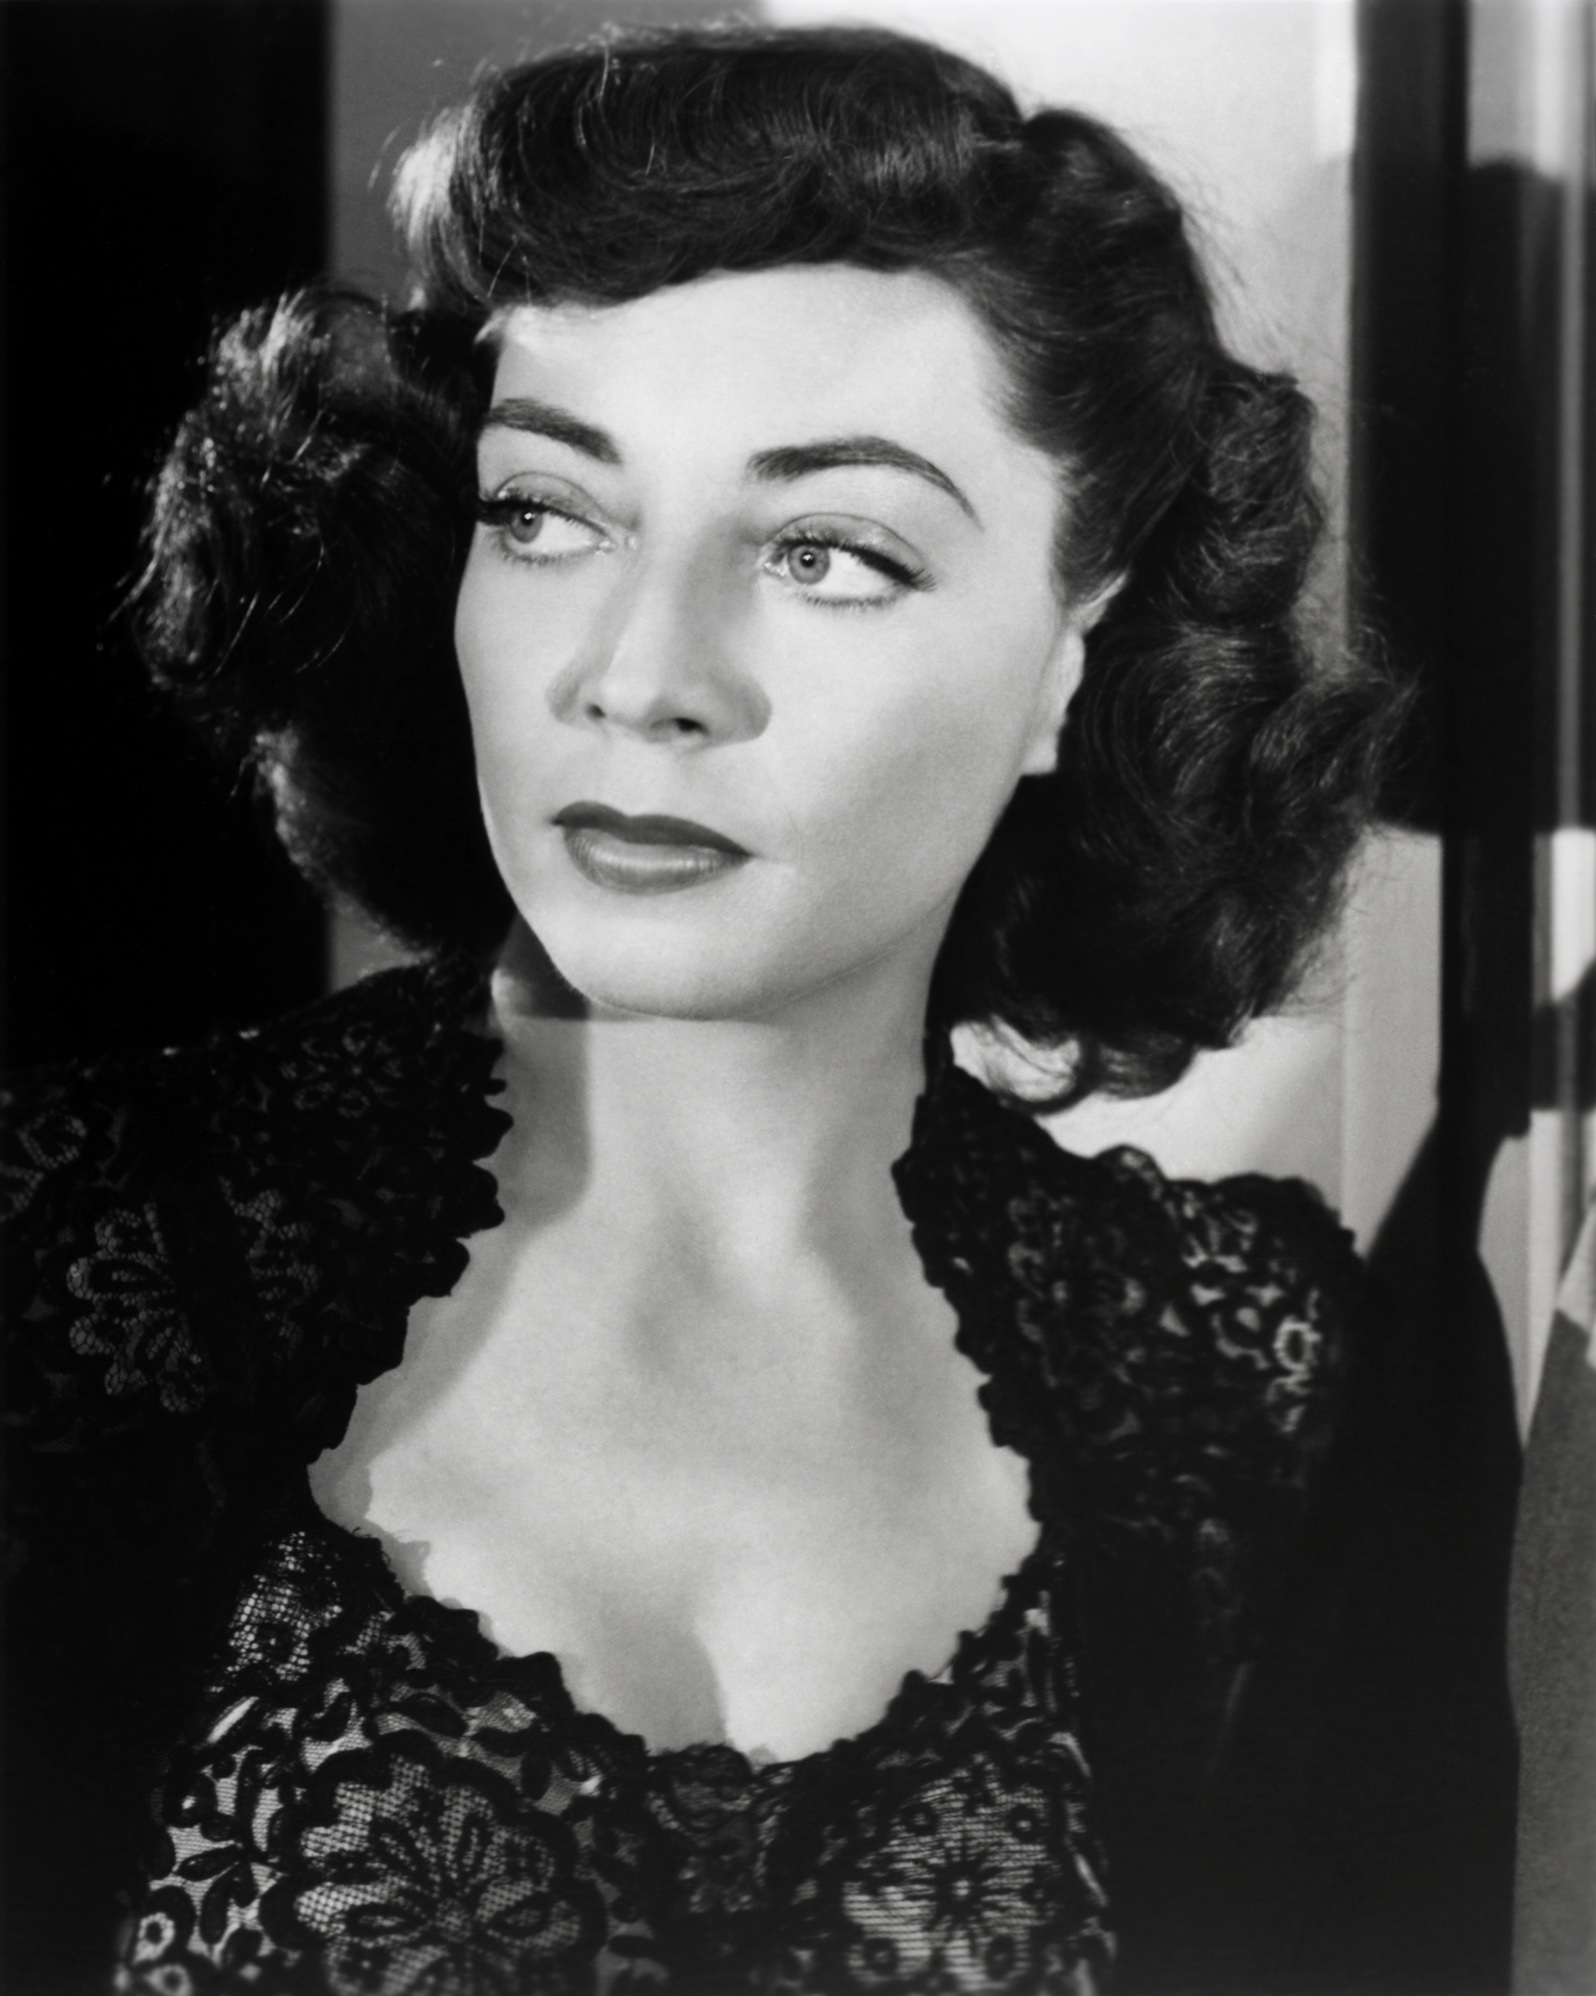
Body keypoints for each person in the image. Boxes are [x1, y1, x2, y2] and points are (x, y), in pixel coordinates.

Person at [2, 22, 1471, 1996]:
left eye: (825, 550)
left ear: (1078, 647)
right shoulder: (68, 1266)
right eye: (548, 512)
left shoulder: (1252, 1389)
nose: (641, 674)